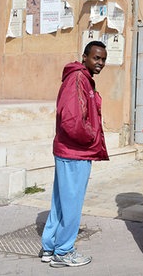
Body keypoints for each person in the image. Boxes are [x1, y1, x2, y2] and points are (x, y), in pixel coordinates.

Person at [40, 41, 108, 267]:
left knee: (61, 202)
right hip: (75, 152)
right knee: (71, 204)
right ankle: (63, 251)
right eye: (96, 58)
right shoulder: (78, 79)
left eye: (103, 59)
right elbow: (71, 119)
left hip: (70, 150)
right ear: (85, 57)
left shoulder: (82, 79)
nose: (100, 63)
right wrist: (90, 137)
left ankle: (50, 247)